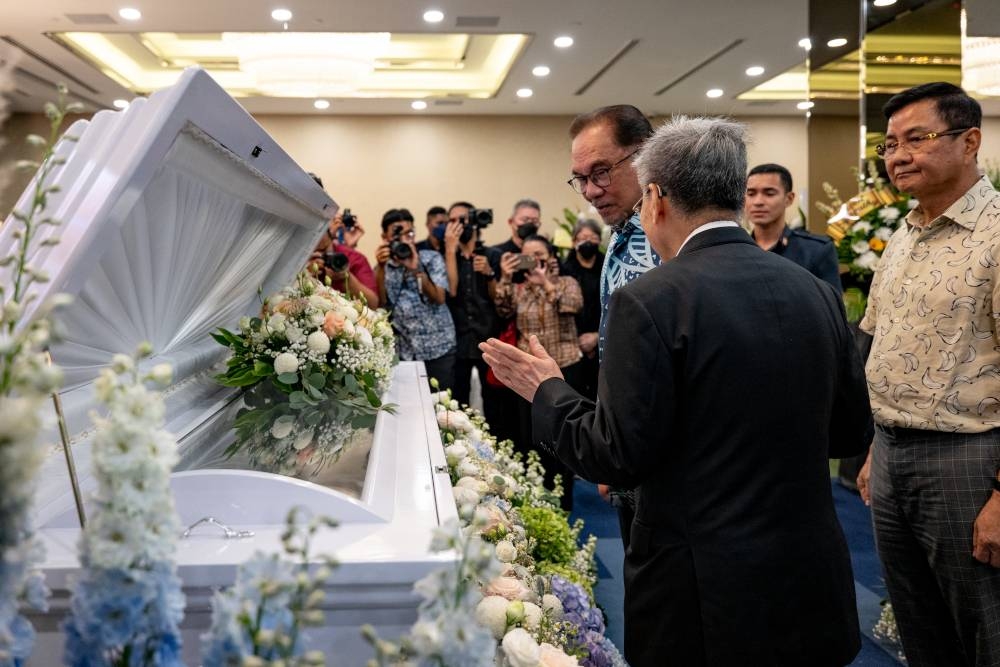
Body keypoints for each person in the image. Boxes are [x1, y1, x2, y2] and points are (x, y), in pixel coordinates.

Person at [482, 116, 872, 666]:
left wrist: (548, 390)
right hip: (809, 579)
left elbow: (617, 454)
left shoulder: (651, 299)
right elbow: (849, 432)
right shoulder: (815, 291)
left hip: (705, 592)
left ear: (655, 196)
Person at [855, 82, 1000, 667]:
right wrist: (873, 447)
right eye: (890, 144)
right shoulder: (904, 233)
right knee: (920, 629)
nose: (898, 156)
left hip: (969, 461)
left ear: (970, 141)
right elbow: (884, 345)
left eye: (918, 138)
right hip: (892, 454)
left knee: (984, 632)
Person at [567, 104, 659, 543]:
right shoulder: (620, 235)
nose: (589, 190)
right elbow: (613, 351)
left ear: (644, 157)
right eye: (581, 178)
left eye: (600, 172)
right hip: (626, 445)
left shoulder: (672, 234)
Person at [493, 234, 583, 511]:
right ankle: (536, 498)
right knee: (531, 436)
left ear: (551, 258)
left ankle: (564, 501)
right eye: (527, 257)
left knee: (563, 436)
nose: (533, 263)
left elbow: (573, 305)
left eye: (539, 257)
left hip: (564, 368)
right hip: (528, 375)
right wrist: (506, 277)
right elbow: (501, 308)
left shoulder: (566, 283)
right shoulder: (519, 290)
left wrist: (545, 283)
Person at [374, 208, 456, 390]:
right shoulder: (382, 267)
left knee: (442, 408)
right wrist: (380, 267)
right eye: (397, 233)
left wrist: (415, 268)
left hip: (439, 348)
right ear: (385, 237)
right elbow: (380, 305)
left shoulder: (431, 258)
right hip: (405, 352)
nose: (405, 239)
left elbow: (439, 298)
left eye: (409, 233)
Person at [442, 200, 504, 423]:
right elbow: (452, 290)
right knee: (458, 402)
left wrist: (489, 273)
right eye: (453, 221)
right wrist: (450, 250)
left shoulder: (493, 255)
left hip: (488, 338)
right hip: (459, 340)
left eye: (463, 220)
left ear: (474, 221)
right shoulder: (446, 257)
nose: (459, 225)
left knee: (494, 403)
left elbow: (499, 298)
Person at [745, 162, 841, 292]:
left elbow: (831, 306)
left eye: (769, 193)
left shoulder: (816, 251)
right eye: (751, 194)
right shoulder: (737, 250)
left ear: (789, 199)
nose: (758, 202)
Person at [559, 219, 604, 400]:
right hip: (571, 344)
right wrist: (576, 340)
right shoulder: (563, 270)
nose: (588, 241)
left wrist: (597, 336)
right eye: (583, 237)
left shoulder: (608, 267)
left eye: (593, 237)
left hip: (602, 339)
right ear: (574, 241)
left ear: (600, 241)